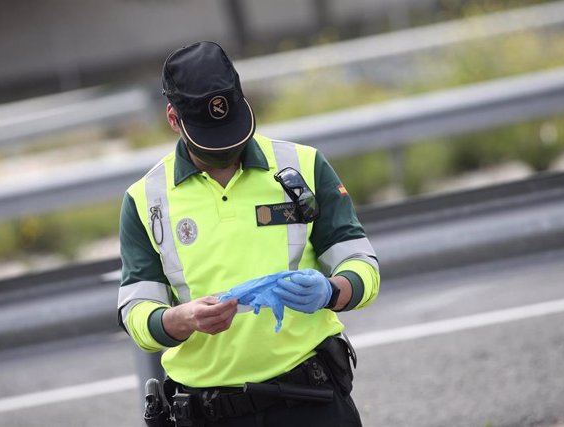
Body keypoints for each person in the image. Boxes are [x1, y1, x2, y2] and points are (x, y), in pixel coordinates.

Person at [118, 41, 380, 427]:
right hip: (208, 413)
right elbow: (137, 313)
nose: (228, 146)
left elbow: (363, 265)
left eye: (233, 128)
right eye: (212, 136)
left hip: (312, 399)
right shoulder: (146, 200)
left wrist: (331, 291)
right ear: (174, 119)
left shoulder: (303, 166)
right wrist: (183, 319)